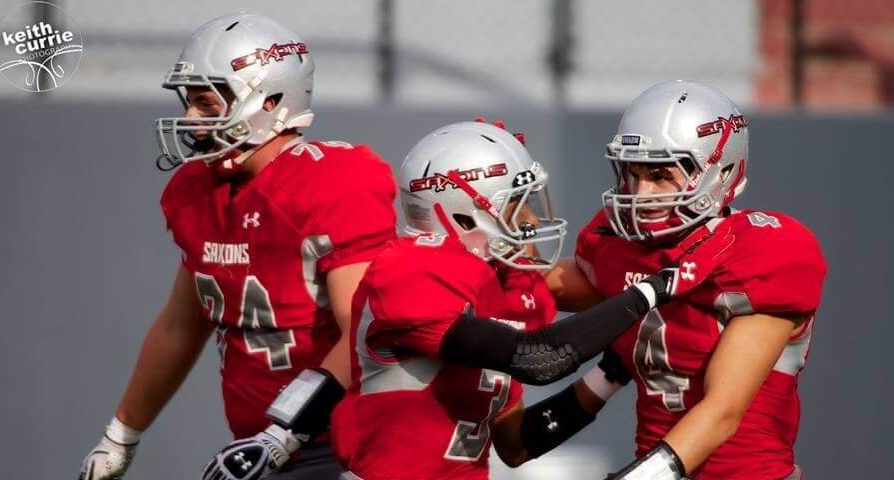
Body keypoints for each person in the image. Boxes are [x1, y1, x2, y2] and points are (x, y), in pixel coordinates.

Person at [200, 120, 679, 480]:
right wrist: (655, 289)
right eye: (518, 204)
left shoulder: (503, 290)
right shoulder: (413, 270)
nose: (533, 218)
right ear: (463, 216)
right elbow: (542, 359)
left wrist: (610, 377)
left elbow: (514, 444)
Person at [77, 13, 397, 480]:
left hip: (349, 447)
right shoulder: (199, 193)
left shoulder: (328, 184)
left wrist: (282, 435)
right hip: (269, 445)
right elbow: (180, 328)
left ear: (268, 100)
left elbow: (365, 333)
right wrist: (120, 436)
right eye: (190, 103)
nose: (191, 118)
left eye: (207, 104)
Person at [539, 80, 828, 479]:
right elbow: (536, 290)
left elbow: (722, 413)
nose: (641, 193)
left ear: (720, 170)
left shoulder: (760, 254)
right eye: (633, 173)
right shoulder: (621, 249)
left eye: (660, 175)